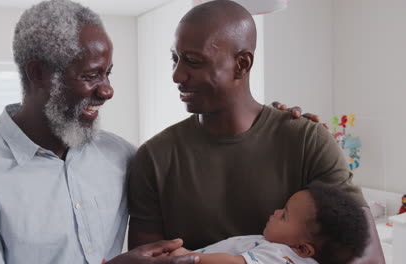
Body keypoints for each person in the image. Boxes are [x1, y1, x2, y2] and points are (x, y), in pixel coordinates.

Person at [0, 0, 199, 263]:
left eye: (107, 73)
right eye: (90, 75)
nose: (107, 91)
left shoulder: (122, 156)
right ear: (38, 73)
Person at [127, 0, 385, 263]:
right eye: (175, 58)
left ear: (242, 64)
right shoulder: (153, 158)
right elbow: (147, 260)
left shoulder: (307, 141)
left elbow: (369, 258)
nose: (177, 75)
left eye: (193, 61)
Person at [168, 183, 370, 264]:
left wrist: (189, 257)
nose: (276, 212)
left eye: (284, 216)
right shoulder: (288, 252)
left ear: (302, 248)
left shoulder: (282, 257)